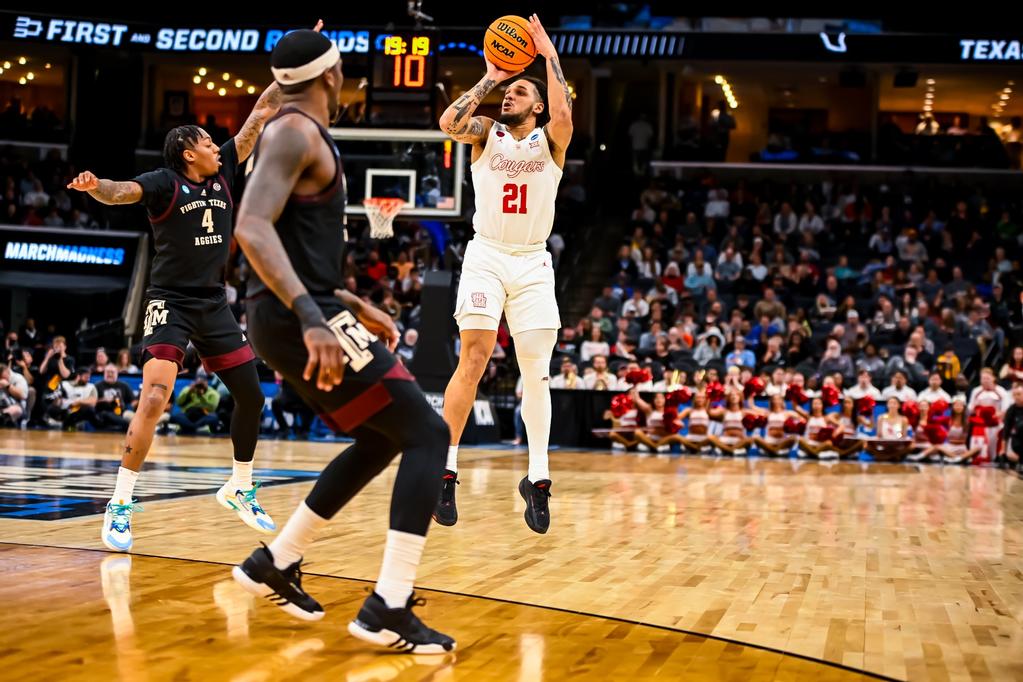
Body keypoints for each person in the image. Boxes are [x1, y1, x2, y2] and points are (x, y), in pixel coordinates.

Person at [229, 28, 454, 653]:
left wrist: (350, 302)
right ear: (331, 77)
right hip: (296, 317)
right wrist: (312, 315)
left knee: (384, 438)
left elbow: (297, 244)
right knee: (429, 434)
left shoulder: (296, 130)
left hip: (306, 312)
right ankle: (389, 604)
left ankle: (277, 557)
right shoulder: (295, 131)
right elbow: (250, 226)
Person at [66, 23, 321, 550]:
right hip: (169, 303)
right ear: (188, 153)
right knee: (156, 394)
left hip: (212, 303)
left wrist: (296, 59)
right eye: (206, 140)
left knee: (251, 395)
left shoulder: (225, 167)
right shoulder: (164, 183)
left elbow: (260, 112)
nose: (215, 143)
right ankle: (119, 503)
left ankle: (240, 486)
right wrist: (97, 188)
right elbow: (121, 192)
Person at [435, 14, 572, 533]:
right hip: (487, 255)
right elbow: (448, 122)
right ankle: (445, 471)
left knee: (536, 370)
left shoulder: (551, 141)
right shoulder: (486, 133)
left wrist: (546, 55)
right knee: (474, 355)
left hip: (533, 262)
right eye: (507, 92)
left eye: (518, 91)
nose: (509, 97)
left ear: (536, 106)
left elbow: (562, 109)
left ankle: (537, 479)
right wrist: (492, 76)